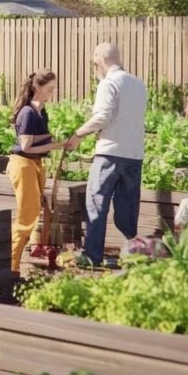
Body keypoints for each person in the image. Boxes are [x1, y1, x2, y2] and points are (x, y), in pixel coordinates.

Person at [64, 43, 148, 267]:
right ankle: (132, 254)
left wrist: (79, 134)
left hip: (110, 153)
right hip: (134, 154)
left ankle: (92, 256)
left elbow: (103, 116)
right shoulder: (139, 84)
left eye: (94, 63)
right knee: (128, 206)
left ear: (99, 61)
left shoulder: (108, 83)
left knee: (96, 203)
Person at [5, 70, 65, 273]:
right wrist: (55, 146)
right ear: (37, 87)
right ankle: (10, 266)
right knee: (27, 216)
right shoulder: (27, 113)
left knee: (31, 213)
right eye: (50, 88)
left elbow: (33, 140)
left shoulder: (41, 111)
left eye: (54, 88)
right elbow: (26, 146)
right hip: (23, 164)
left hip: (35, 164)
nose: (53, 92)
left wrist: (53, 139)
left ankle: (11, 264)